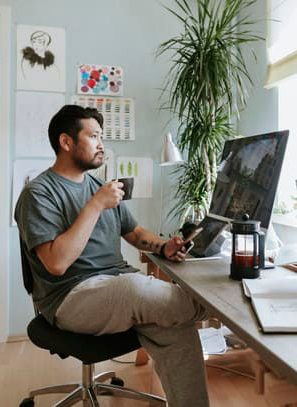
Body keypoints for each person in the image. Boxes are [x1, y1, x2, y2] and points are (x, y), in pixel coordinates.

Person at [14, 105, 209, 407]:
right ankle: (217, 308)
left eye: (102, 136)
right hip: (70, 297)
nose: (102, 144)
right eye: (93, 136)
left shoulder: (100, 187)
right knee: (135, 288)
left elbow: (135, 232)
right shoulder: (38, 193)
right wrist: (94, 205)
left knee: (176, 328)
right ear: (66, 142)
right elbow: (56, 263)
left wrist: (163, 246)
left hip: (118, 286)